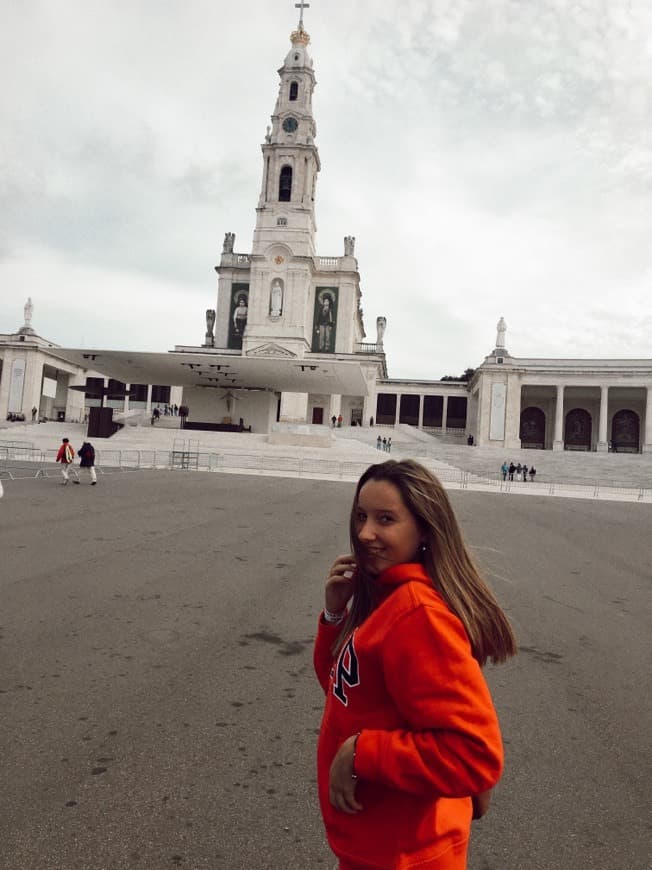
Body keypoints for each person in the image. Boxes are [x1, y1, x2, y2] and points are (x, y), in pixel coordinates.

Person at [314, 460, 516, 869]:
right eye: (360, 516)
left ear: (425, 529)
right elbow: (347, 692)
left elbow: (475, 754)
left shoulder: (417, 614)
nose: (365, 533)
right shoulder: (388, 598)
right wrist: (335, 615)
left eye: (385, 519)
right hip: (381, 843)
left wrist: (361, 752)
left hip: (408, 854)